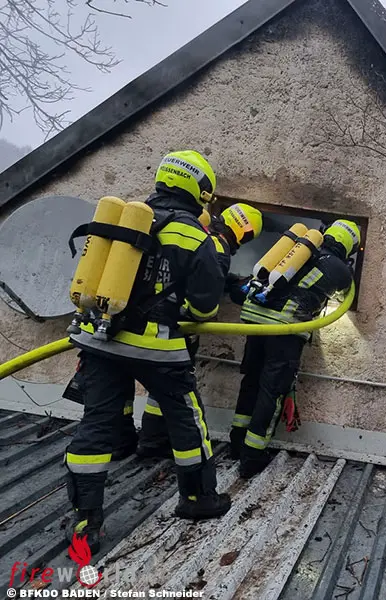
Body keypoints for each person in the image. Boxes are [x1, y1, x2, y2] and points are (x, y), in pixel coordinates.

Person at [65, 150, 230, 549]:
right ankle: (197, 499)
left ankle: (86, 521)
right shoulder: (196, 237)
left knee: (96, 425)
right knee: (187, 420)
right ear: (200, 191)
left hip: (100, 339)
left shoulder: (126, 220)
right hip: (156, 349)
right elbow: (204, 308)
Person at [230, 219, 362, 479]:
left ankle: (237, 442)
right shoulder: (340, 270)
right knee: (272, 391)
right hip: (285, 330)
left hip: (256, 320)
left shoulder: (299, 249)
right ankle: (253, 455)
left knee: (251, 381)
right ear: (350, 246)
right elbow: (342, 293)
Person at [137, 202, 263, 458]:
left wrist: (229, 280)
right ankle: (179, 455)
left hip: (148, 319)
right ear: (245, 233)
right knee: (179, 394)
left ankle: (151, 440)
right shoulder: (221, 249)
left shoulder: (201, 233)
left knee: (159, 389)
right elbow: (205, 298)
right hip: (178, 327)